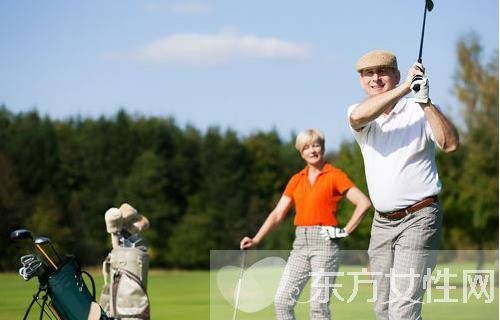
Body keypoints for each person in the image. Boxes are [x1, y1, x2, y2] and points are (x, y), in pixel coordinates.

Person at [347, 50, 459, 320]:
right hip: (381, 224)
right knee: (383, 310)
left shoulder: (417, 109)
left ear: (395, 75)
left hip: (419, 218)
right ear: (361, 80)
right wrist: (407, 87)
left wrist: (425, 101)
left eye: (383, 71)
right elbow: (357, 118)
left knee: (403, 311)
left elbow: (450, 144)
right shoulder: (358, 113)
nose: (375, 78)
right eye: (368, 74)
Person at [240, 129, 371, 320]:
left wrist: (344, 231)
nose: (312, 150)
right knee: (282, 301)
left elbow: (363, 203)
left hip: (326, 244)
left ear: (323, 148)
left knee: (318, 307)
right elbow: (277, 214)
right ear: (301, 152)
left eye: (316, 145)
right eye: (306, 147)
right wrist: (256, 239)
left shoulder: (335, 175)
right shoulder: (296, 180)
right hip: (300, 244)